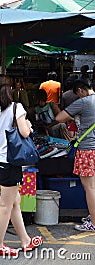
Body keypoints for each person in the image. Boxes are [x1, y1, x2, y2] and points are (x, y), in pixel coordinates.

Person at [0, 74, 42, 256]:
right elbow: (24, 132)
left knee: (14, 201)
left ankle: (25, 241)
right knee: (6, 206)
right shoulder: (17, 108)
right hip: (8, 163)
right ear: (12, 89)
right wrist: (29, 126)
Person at [55, 79, 95, 231]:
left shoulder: (83, 102)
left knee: (89, 187)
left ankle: (93, 223)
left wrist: (75, 116)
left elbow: (59, 118)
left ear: (80, 91)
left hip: (87, 149)